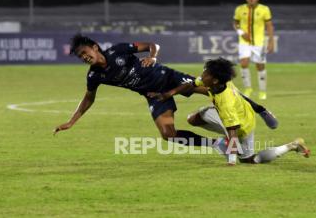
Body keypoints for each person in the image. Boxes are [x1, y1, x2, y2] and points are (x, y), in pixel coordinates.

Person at [54, 35, 274, 147]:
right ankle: (218, 145)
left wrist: (152, 56)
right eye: (80, 57)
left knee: (216, 89)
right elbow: (88, 99)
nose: (84, 58)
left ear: (94, 47)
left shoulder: (118, 50)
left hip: (168, 77)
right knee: (168, 135)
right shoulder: (95, 75)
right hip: (153, 94)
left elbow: (153, 44)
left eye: (84, 52)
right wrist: (71, 121)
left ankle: (261, 110)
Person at [156, 58, 309, 165]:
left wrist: (231, 160)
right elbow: (191, 85)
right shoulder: (218, 82)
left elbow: (233, 131)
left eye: (206, 74)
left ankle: (292, 146)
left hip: (243, 127)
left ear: (215, 80)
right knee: (193, 119)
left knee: (249, 160)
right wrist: (168, 94)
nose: (202, 75)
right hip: (239, 115)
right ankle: (222, 142)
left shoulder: (226, 102)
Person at [233, 0, 275, 100]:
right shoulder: (240, 9)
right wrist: (241, 33)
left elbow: (269, 26)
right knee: (244, 63)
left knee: (260, 66)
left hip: (259, 42)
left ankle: (262, 90)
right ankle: (248, 88)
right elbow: (235, 23)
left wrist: (271, 41)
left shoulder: (264, 9)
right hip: (244, 42)